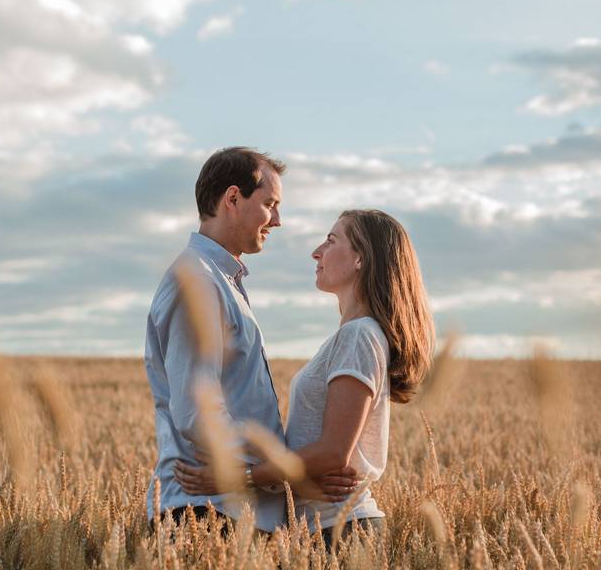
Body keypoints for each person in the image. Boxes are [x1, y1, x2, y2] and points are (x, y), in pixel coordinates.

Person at [175, 209, 435, 547]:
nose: (316, 252)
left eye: (331, 240)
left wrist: (236, 478)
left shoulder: (359, 336)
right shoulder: (356, 335)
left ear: (361, 258)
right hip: (321, 531)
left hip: (341, 531)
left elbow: (332, 454)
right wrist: (292, 479)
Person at [144, 147, 358, 534]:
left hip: (231, 513)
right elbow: (198, 410)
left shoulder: (220, 280)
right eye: (270, 204)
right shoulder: (197, 281)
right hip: (206, 514)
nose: (277, 220)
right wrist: (276, 476)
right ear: (232, 199)